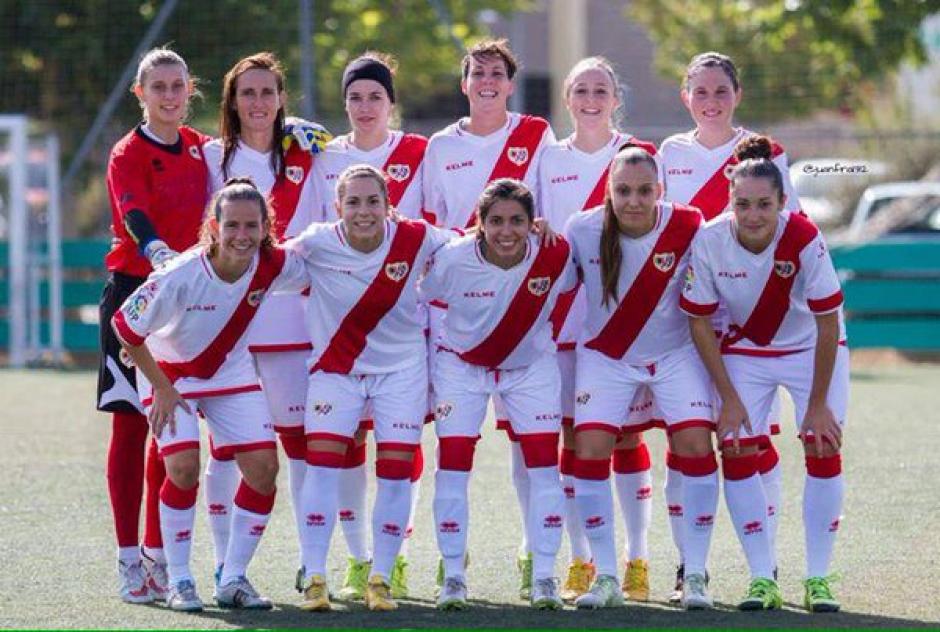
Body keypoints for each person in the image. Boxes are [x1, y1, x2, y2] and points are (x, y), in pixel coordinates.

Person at [111, 179, 307, 611]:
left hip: (230, 373)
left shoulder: (274, 264)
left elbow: (323, 265)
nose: (242, 235)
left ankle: (233, 577)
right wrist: (161, 387)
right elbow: (124, 328)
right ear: (213, 227)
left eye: (251, 226)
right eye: (232, 224)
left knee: (263, 469)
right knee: (182, 467)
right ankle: (179, 579)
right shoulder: (179, 275)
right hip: (169, 375)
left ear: (265, 227)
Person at [681, 136, 847, 613]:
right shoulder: (710, 239)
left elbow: (827, 322)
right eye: (742, 204)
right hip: (747, 352)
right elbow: (698, 319)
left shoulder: (803, 237)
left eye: (764, 204)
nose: (753, 214)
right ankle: (761, 577)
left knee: (822, 442)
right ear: (730, 201)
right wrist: (728, 397)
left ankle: (818, 578)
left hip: (810, 349)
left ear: (781, 202)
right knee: (735, 445)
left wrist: (816, 406)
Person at [658, 51, 801, 599]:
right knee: (687, 442)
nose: (711, 102)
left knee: (748, 440)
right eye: (701, 92)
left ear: (737, 95)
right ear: (685, 97)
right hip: (684, 315)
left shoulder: (765, 152)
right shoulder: (670, 152)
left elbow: (787, 225)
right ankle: (687, 565)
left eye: (721, 91)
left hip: (744, 319)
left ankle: (764, 567)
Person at [288, 165, 460, 612]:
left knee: (395, 470)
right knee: (322, 469)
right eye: (353, 202)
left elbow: (470, 245)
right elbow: (268, 263)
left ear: (388, 206)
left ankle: (381, 578)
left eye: (372, 202)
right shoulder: (316, 242)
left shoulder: (416, 237)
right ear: (337, 207)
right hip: (336, 371)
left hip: (400, 371)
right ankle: (315, 576)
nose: (363, 211)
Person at [422, 37, 556, 598]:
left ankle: (541, 565)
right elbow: (429, 230)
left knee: (538, 455)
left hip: (524, 322)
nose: (487, 81)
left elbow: (544, 219)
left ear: (510, 81)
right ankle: (453, 568)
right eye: (477, 72)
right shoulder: (439, 146)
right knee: (453, 456)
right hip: (462, 321)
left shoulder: (536, 135)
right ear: (464, 82)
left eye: (497, 72)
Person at [564, 147, 719, 610]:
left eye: (644, 191)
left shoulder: (689, 226)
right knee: (589, 451)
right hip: (606, 357)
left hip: (674, 354)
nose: (633, 200)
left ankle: (694, 575)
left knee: (694, 447)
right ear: (609, 191)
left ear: (661, 191)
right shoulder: (582, 229)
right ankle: (607, 576)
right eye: (624, 190)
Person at [200, 51, 330, 597]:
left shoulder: (311, 153)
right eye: (246, 93)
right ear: (231, 101)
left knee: (299, 447)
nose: (257, 102)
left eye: (267, 92)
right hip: (230, 328)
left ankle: (311, 562)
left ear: (281, 100)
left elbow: (324, 225)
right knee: (226, 451)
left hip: (293, 325)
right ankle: (226, 565)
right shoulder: (209, 157)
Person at [537, 55, 662, 604]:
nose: (591, 98)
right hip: (562, 323)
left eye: (601, 89)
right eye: (581, 89)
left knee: (627, 437)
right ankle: (582, 559)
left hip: (627, 324)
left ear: (617, 99)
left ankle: (637, 560)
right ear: (567, 98)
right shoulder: (547, 158)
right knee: (576, 440)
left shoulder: (639, 155)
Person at [422, 178, 576, 611]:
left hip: (530, 369)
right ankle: (453, 575)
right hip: (462, 367)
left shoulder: (556, 253)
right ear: (479, 223)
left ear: (533, 223)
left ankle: (544, 575)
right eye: (495, 221)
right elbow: (424, 295)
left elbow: (568, 289)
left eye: (517, 221)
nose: (506, 231)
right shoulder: (452, 259)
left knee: (545, 469)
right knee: (452, 468)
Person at [310, 51, 427, 599]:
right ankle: (351, 561)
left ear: (391, 102)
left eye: (374, 96)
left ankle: (392, 560)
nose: (364, 106)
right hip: (338, 327)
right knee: (343, 448)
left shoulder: (419, 152)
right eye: (354, 96)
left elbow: (439, 230)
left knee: (403, 453)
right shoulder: (321, 155)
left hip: (404, 323)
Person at [98, 46, 209, 604]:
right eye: (158, 86)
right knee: (130, 427)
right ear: (140, 94)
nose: (169, 95)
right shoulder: (126, 152)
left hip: (188, 302)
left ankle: (158, 557)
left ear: (190, 91)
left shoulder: (201, 149)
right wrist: (159, 249)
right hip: (134, 295)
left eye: (177, 85)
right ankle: (126, 561)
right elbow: (133, 209)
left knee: (172, 433)